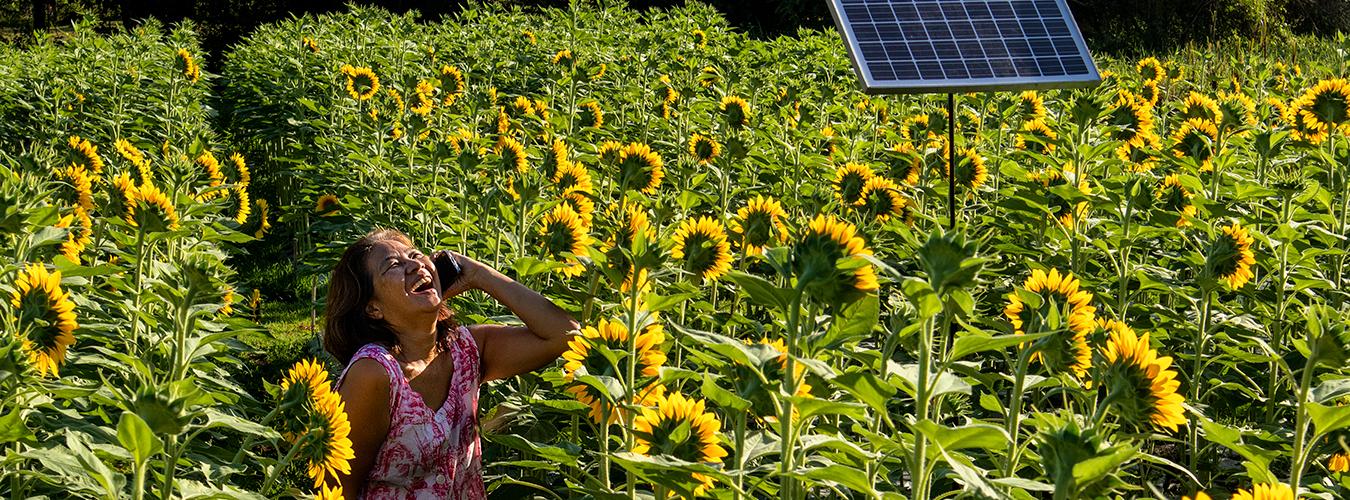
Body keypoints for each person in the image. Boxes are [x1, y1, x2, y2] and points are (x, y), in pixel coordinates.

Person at [323, 228, 576, 498]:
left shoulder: (466, 350)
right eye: (394, 265)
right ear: (373, 308)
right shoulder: (374, 374)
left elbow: (565, 334)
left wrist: (477, 274)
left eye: (416, 255)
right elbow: (336, 488)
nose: (415, 265)